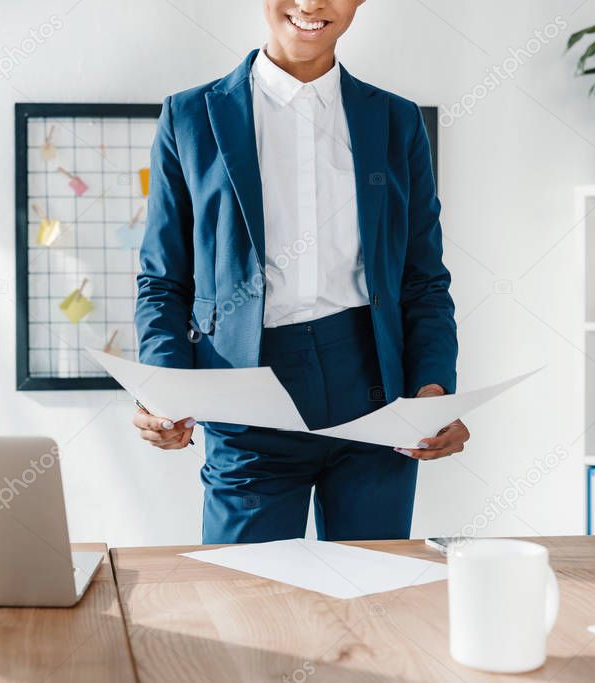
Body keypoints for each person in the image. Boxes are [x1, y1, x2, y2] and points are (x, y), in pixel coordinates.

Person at [133, 0, 469, 544]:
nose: (312, 4)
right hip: (247, 400)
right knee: (249, 604)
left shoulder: (396, 121)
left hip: (374, 399)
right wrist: (163, 390)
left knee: (372, 599)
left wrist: (432, 390)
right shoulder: (190, 117)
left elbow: (422, 278)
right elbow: (164, 280)